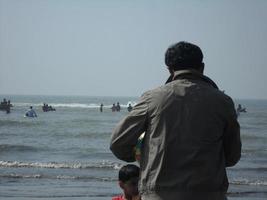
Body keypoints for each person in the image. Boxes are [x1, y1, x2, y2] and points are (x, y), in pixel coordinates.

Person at [110, 41, 241, 200]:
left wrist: (142, 156)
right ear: (202, 67)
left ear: (169, 69)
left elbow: (118, 143)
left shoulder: (153, 98)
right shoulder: (223, 101)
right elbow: (232, 156)